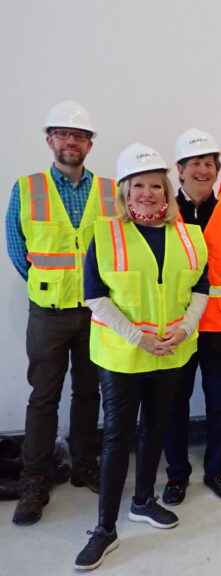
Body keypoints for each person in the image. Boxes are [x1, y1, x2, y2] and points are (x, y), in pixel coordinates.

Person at [74, 144, 209, 571]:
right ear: (126, 193)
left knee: (156, 427)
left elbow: (201, 290)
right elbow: (94, 297)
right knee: (116, 437)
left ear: (168, 191)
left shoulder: (190, 235)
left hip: (172, 351)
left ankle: (143, 501)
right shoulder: (106, 233)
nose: (148, 193)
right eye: (139, 186)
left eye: (156, 185)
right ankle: (105, 529)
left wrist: (185, 329)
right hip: (122, 355)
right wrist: (139, 337)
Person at [6, 101, 117, 526]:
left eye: (80, 135)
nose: (71, 141)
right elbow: (18, 248)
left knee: (90, 391)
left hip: (96, 310)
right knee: (43, 396)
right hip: (48, 312)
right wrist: (45, 284)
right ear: (49, 139)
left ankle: (85, 461)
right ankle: (35, 477)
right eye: (63, 134)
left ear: (90, 143)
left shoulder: (109, 191)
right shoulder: (28, 187)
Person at [162, 129, 221, 506]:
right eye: (195, 164)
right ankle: (176, 475)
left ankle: (218, 470)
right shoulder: (164, 214)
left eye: (209, 164)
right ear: (179, 170)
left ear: (216, 170)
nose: (203, 170)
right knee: (174, 405)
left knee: (220, 404)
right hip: (177, 328)